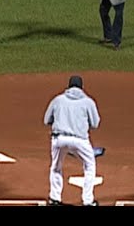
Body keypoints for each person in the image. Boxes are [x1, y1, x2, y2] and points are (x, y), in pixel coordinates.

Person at [43, 75, 101, 206]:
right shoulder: (88, 102)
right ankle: (88, 201)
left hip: (59, 139)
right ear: (81, 87)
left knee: (56, 167)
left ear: (68, 87)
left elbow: (47, 120)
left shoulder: (58, 100)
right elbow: (95, 124)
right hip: (80, 140)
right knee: (90, 165)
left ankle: (54, 198)